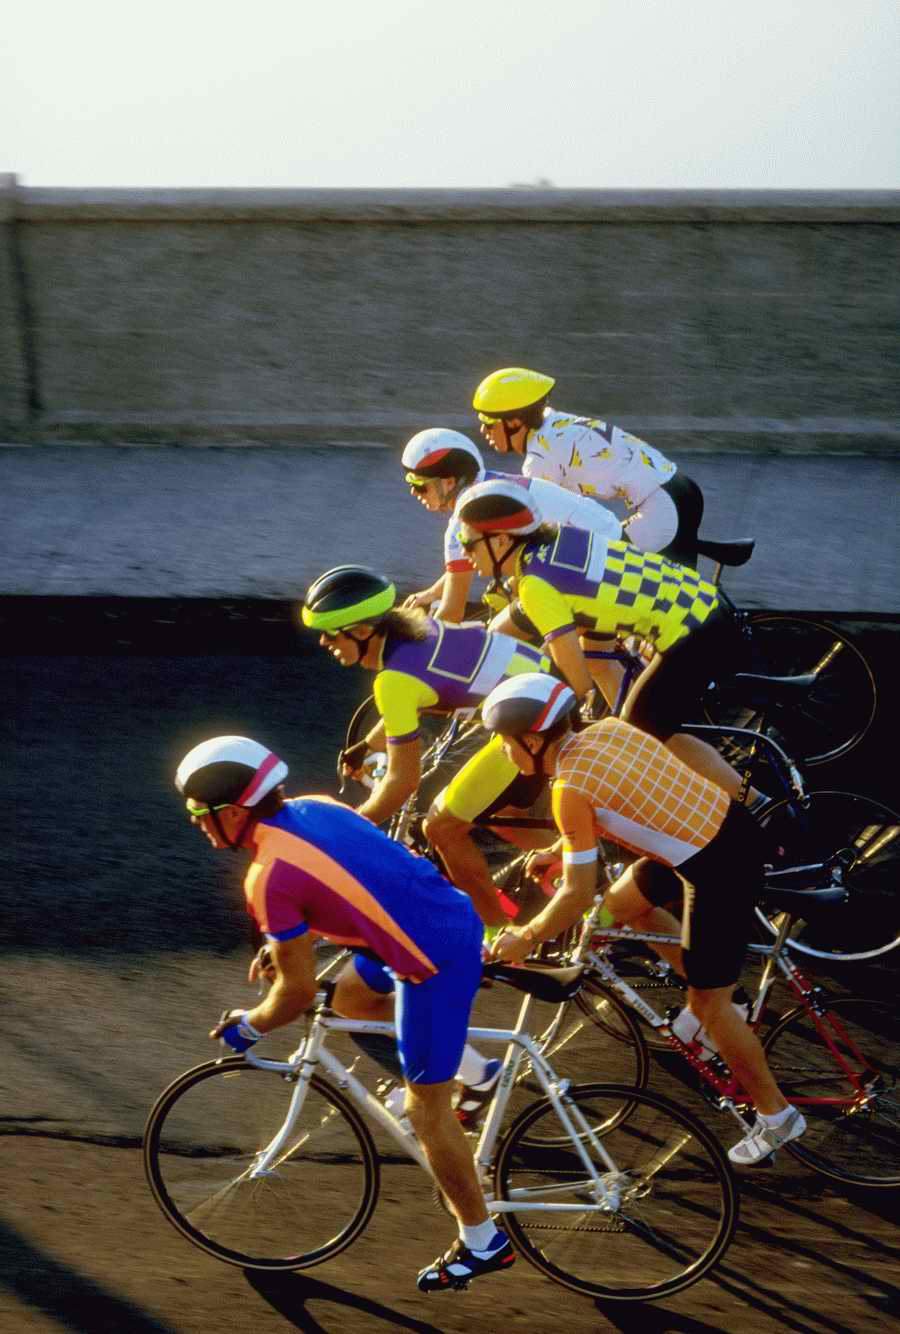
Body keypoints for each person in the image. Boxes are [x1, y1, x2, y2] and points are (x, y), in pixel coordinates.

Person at [175, 734, 516, 1292]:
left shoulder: (266, 877)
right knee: (353, 1000)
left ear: (233, 811)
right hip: (441, 917)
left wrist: (249, 1026)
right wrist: (289, 943)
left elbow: (296, 994)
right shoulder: (316, 806)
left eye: (199, 813)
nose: (197, 824)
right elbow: (348, 877)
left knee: (426, 1113)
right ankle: (476, 1075)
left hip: (432, 961)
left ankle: (483, 1241)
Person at [479, 674, 807, 1166]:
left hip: (719, 868)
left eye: (505, 742)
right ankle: (715, 998)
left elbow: (576, 893)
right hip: (720, 833)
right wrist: (560, 848)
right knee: (624, 906)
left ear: (531, 740)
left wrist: (526, 936)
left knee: (710, 1006)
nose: (504, 752)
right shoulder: (608, 729)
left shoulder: (568, 790)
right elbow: (624, 798)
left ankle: (776, 1115)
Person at [453, 477, 766, 808]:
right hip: (704, 606)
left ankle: (752, 804)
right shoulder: (558, 540)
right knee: (604, 670)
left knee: (640, 737)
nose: (463, 552)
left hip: (695, 634)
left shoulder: (535, 584)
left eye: (468, 543)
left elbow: (577, 682)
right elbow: (585, 617)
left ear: (501, 540)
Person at [300, 564, 558, 925]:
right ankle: (579, 869)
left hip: (532, 726)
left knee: (441, 828)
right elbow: (413, 699)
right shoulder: (416, 629)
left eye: (329, 633)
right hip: (550, 699)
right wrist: (367, 746)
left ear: (361, 631)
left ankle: (498, 936)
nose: (323, 643)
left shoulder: (393, 682)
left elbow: (403, 780)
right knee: (504, 816)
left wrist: (351, 826)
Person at [472, 366, 704, 567]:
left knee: (610, 567)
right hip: (679, 489)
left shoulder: (541, 457)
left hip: (663, 505)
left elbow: (538, 527)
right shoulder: (553, 422)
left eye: (488, 422)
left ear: (514, 422)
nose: (482, 430)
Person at [400, 426, 620, 623]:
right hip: (610, 547)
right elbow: (461, 566)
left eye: (419, 486)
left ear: (449, 482)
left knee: (502, 632)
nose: (413, 492)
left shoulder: (466, 518)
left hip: (595, 570)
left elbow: (451, 613)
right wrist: (433, 592)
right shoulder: (488, 484)